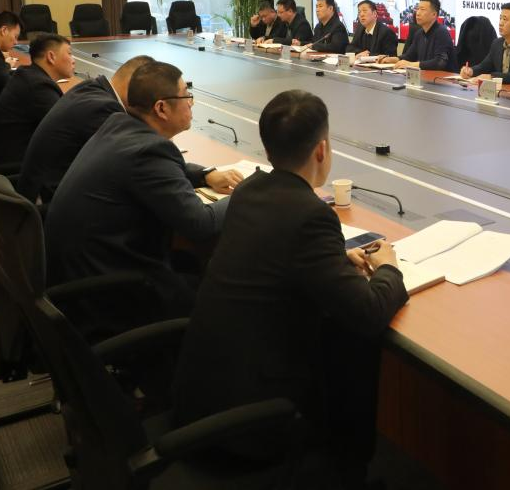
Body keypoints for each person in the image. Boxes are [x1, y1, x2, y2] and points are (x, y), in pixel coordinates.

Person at [171, 90, 407, 486]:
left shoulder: (249, 192)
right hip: (249, 428)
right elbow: (368, 312)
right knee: (352, 345)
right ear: (322, 150)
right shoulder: (311, 215)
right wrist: (388, 269)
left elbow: (276, 254)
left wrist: (333, 259)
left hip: (199, 398)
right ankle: (346, 471)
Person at [43, 61, 242, 334]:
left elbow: (155, 168)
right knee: (227, 297)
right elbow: (201, 224)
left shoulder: (119, 124)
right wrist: (246, 193)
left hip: (81, 274)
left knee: (190, 264)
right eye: (186, 95)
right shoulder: (149, 151)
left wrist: (206, 175)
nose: (191, 103)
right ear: (161, 108)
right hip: (109, 294)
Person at [20, 54, 155, 203]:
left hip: (39, 184)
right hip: (47, 199)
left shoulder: (92, 87)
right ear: (132, 85)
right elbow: (129, 164)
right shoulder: (105, 108)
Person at [0, 33, 76, 169]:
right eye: (69, 53)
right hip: (14, 166)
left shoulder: (27, 75)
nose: (73, 60)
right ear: (51, 57)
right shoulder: (39, 87)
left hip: (3, 158)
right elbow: (68, 131)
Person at [460, 2, 510, 86]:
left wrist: (493, 77)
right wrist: (471, 71)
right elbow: (484, 66)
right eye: (500, 18)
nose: (500, 23)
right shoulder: (497, 43)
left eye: (505, 19)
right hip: (501, 90)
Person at [384, 0, 455, 71]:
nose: (417, 13)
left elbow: (440, 62)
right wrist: (393, 59)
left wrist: (412, 65)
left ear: (434, 14)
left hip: (442, 77)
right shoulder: (419, 34)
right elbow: (409, 56)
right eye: (417, 9)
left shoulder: (442, 32)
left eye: (422, 9)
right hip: (425, 76)